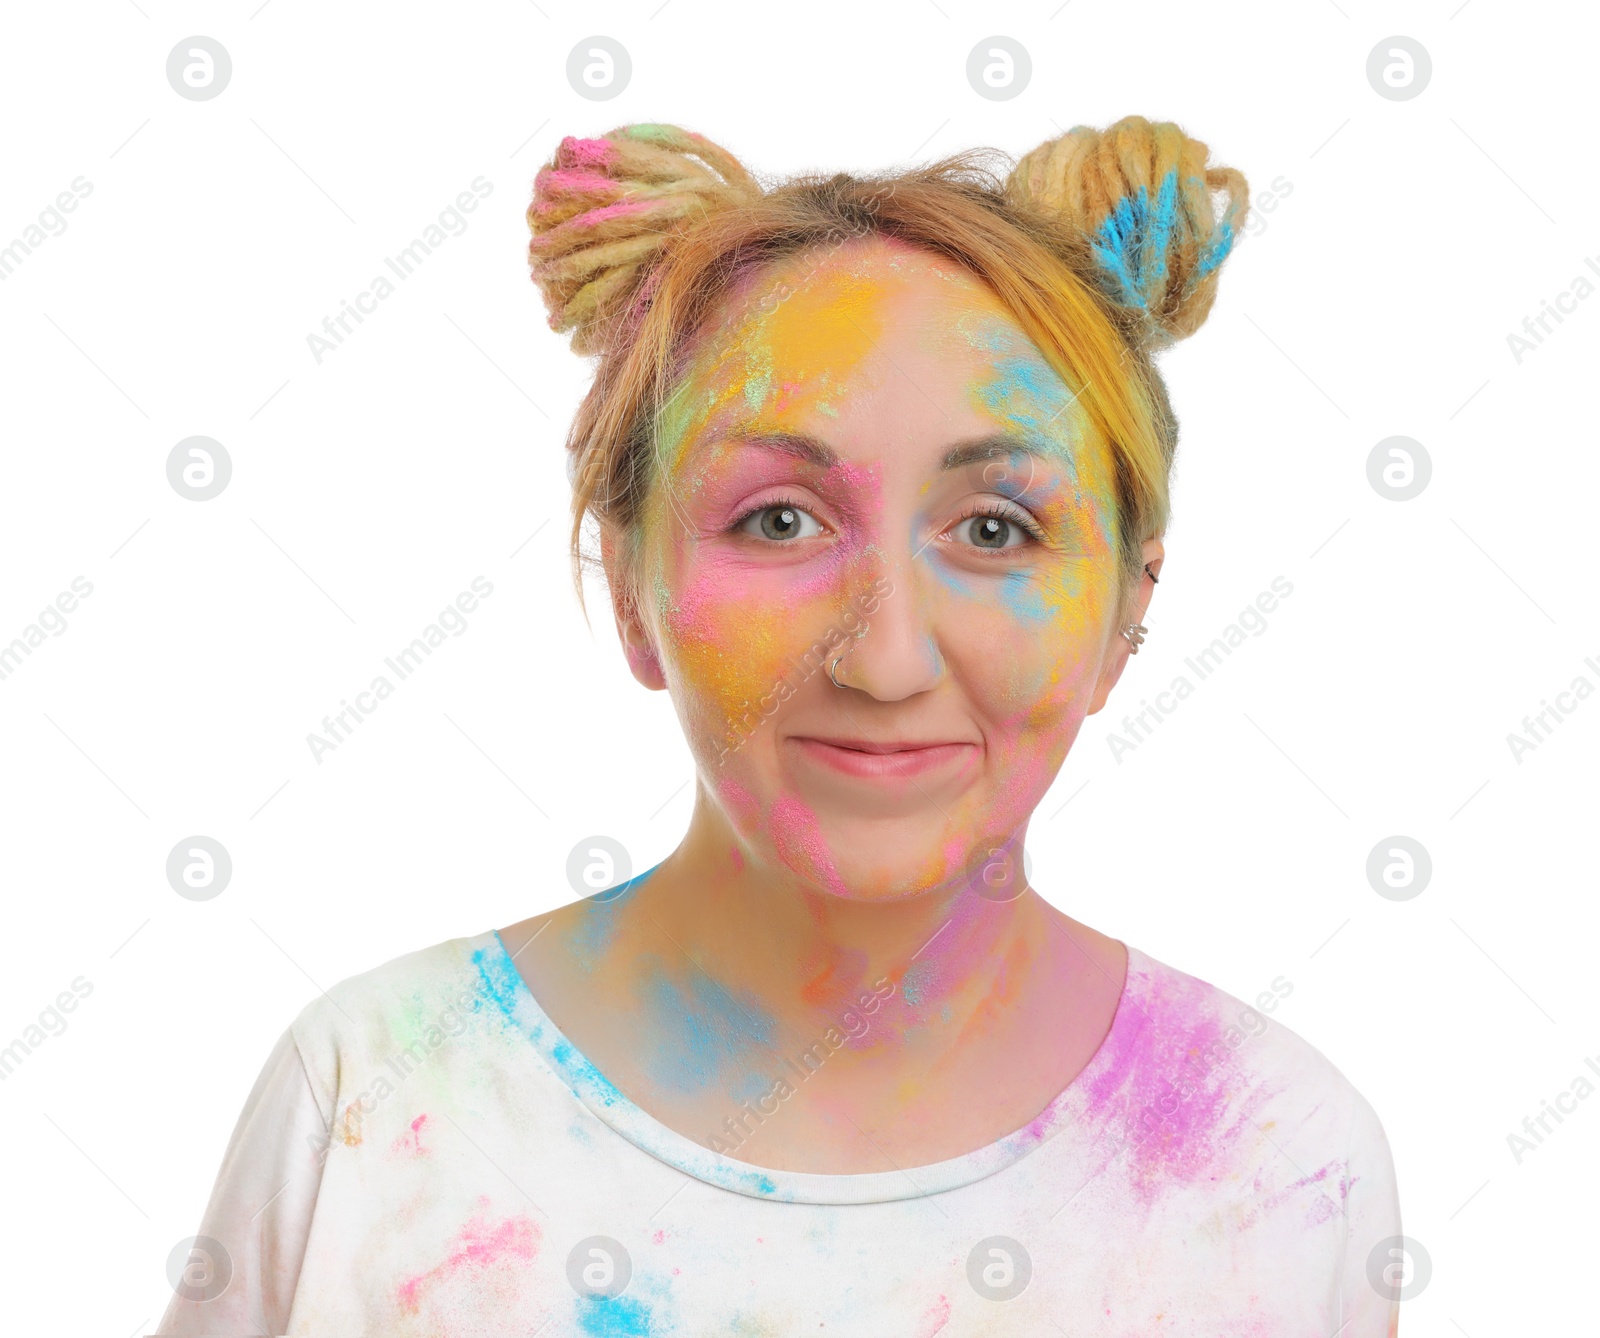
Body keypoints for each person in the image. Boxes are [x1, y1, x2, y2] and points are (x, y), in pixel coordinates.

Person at [158, 116, 1402, 1336]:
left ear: (1128, 611)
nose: (886, 656)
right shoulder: (375, 1099)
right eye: (780, 522)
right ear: (629, 586)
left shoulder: (1281, 1160)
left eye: (993, 529)